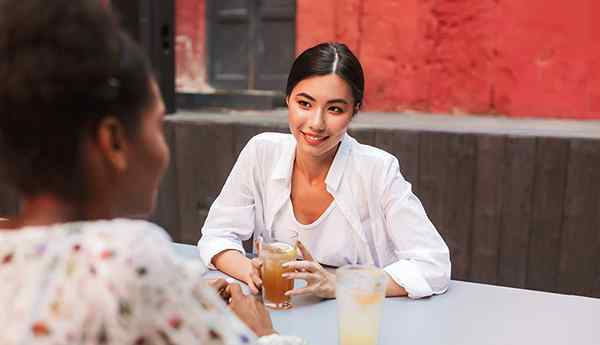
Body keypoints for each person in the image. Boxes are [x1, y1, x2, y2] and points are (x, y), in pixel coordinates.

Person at [0, 1, 304, 344]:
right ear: (113, 141)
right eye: (157, 126)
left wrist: (180, 297)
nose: (163, 150)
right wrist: (265, 334)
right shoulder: (128, 262)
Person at [198, 42, 451, 300]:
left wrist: (340, 284)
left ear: (354, 111)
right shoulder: (261, 152)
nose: (316, 124)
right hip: (281, 314)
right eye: (305, 104)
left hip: (358, 318)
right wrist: (249, 271)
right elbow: (217, 235)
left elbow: (433, 265)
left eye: (335, 109)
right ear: (288, 99)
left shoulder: (378, 170)